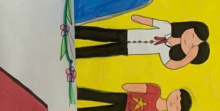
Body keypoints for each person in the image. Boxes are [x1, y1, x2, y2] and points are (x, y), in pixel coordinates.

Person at [76, 16, 210, 68]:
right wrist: (137, 18)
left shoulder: (166, 52)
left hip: (127, 50)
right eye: (192, 35)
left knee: (99, 51)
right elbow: (152, 22)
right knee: (99, 34)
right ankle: (74, 31)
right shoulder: (167, 27)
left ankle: (74, 54)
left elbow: (172, 65)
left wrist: (187, 59)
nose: (189, 40)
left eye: (192, 46)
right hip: (126, 34)